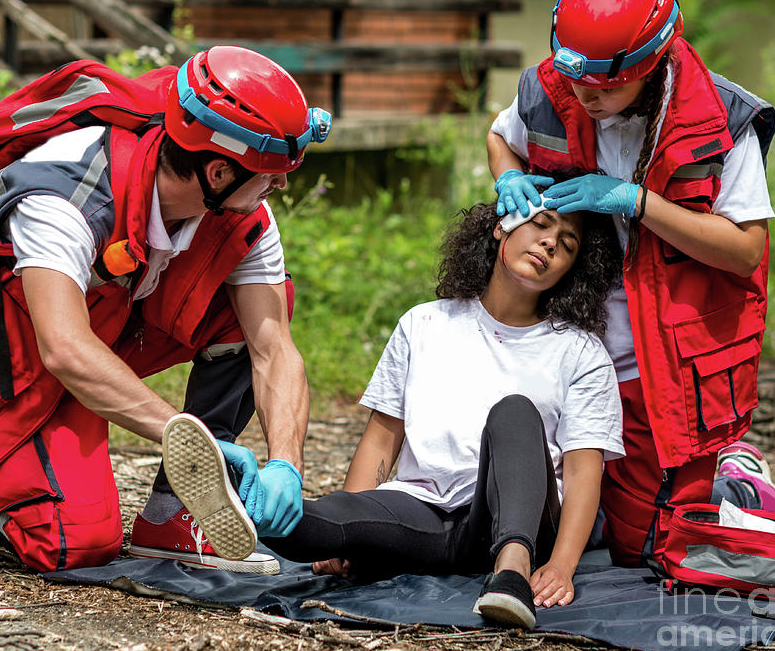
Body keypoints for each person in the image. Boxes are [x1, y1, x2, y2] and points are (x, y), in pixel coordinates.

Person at [0, 45, 331, 574]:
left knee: (249, 309)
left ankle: (176, 513)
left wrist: (287, 459)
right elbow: (65, 348)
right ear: (217, 173)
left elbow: (273, 346)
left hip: (95, 329)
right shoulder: (65, 194)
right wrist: (185, 435)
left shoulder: (240, 211)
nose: (282, 185)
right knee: (72, 543)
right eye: (271, 173)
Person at [486, 0, 775, 570]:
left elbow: (745, 250)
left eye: (605, 88)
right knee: (540, 513)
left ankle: (736, 482)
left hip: (665, 365)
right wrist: (509, 180)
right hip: (569, 339)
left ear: (650, 67)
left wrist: (636, 202)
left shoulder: (721, 121)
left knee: (643, 548)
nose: (585, 98)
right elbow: (502, 136)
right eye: (577, 83)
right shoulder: (555, 87)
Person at [251, 198, 626, 629]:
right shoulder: (424, 324)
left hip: (515, 521)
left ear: (571, 269)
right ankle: (248, 506)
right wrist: (349, 529)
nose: (549, 243)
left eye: (567, 244)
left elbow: (583, 473)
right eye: (540, 225)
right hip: (422, 514)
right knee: (326, 521)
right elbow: (382, 436)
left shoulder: (581, 352)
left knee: (515, 412)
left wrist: (560, 566)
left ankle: (510, 576)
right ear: (501, 227)